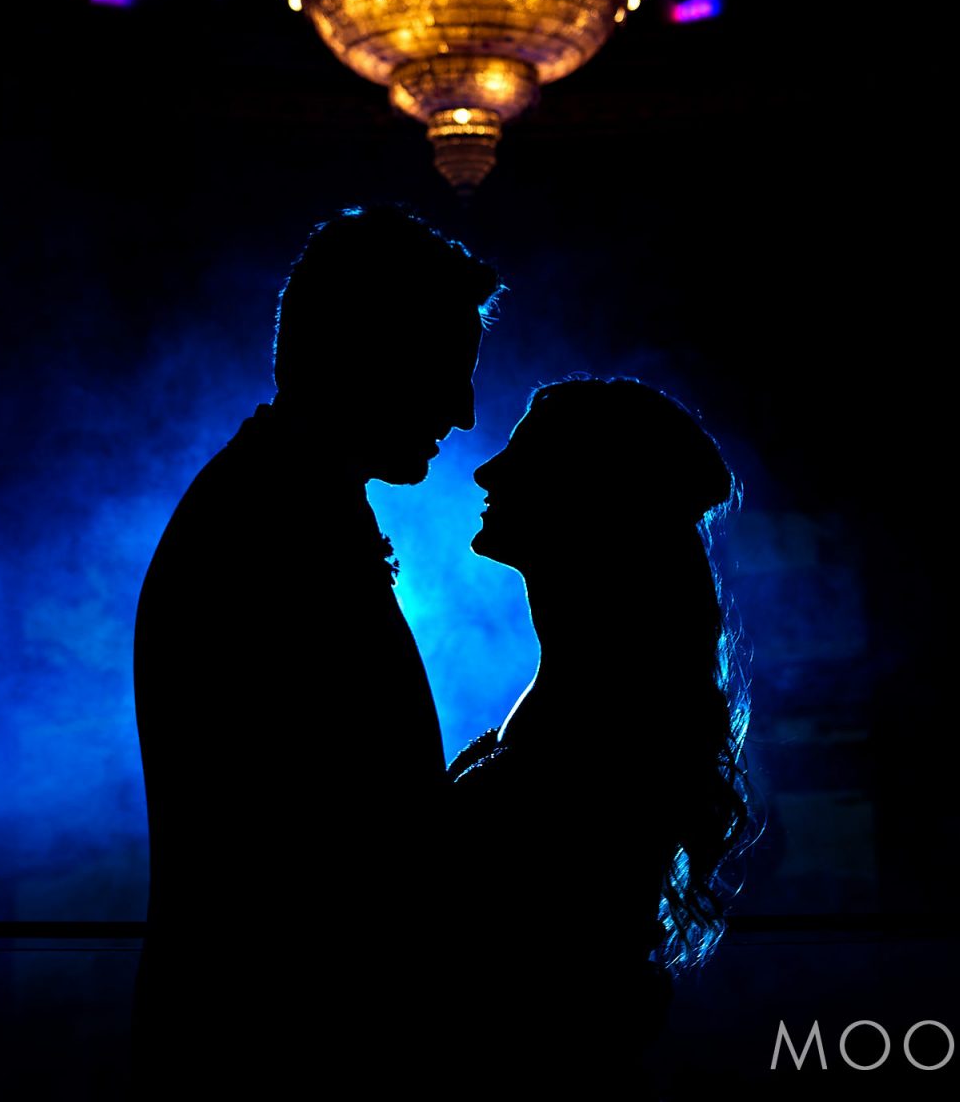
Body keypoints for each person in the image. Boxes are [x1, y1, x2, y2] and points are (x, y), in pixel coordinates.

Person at [131, 206, 502, 1094]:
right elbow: (341, 827)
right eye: (446, 369)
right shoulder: (273, 525)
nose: (463, 409)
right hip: (286, 1048)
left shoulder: (275, 501)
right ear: (364, 348)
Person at [447, 376, 756, 1091]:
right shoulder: (601, 689)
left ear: (591, 498)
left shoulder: (603, 714)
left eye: (523, 456)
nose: (487, 469)